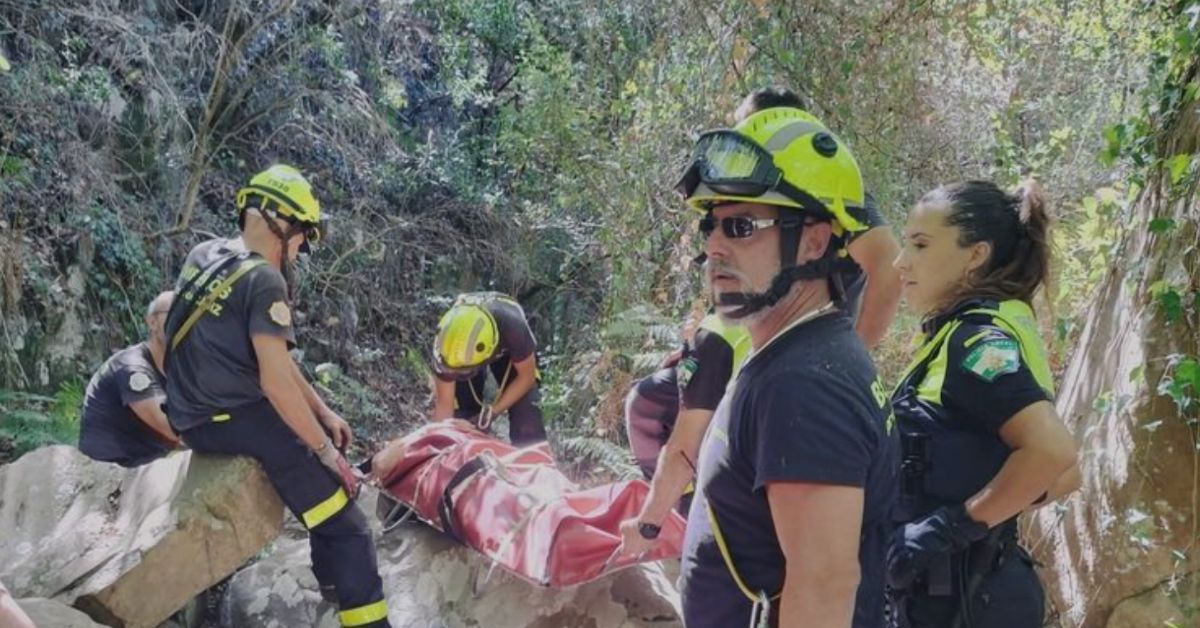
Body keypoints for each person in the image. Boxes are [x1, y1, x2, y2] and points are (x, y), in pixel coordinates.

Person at [673, 107, 898, 628]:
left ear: (815, 240)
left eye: (742, 225)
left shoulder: (806, 385)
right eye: (712, 224)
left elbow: (824, 591)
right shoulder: (795, 353)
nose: (714, 245)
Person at [163, 165, 389, 628]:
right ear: (279, 223)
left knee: (322, 496)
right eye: (304, 233)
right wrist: (328, 455)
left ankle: (331, 589)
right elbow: (274, 383)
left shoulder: (204, 254)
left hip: (191, 415)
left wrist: (322, 411)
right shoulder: (265, 281)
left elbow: (274, 363)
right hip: (236, 417)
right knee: (348, 524)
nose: (303, 245)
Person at [886, 180, 1079, 627]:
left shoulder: (977, 341)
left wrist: (952, 528)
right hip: (969, 592)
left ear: (976, 255)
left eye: (919, 244)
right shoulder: (968, 332)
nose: (901, 261)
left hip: (966, 603)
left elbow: (1055, 455)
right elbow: (1064, 475)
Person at [735, 87, 902, 349]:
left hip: (813, 358)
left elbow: (888, 266)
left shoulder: (828, 190)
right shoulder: (760, 196)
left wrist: (857, 351)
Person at [430, 292, 546, 446]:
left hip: (508, 353)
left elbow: (526, 377)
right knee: (463, 419)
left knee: (527, 416)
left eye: (463, 371)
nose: (456, 374)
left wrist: (494, 411)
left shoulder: (513, 327)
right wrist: (444, 436)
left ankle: (532, 462)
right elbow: (444, 405)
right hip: (466, 354)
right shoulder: (446, 347)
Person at [78, 291, 180, 466]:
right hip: (113, 471)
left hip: (149, 463)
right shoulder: (132, 367)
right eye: (173, 313)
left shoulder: (180, 369)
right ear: (152, 322)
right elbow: (169, 427)